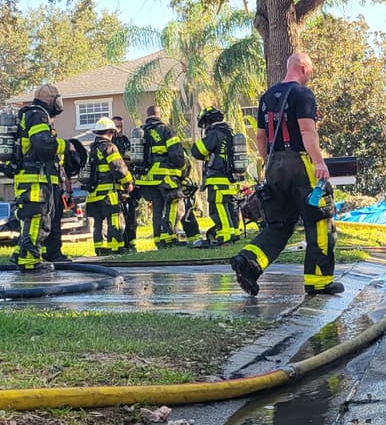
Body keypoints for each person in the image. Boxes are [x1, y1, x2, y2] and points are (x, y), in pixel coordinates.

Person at [229, 51, 341, 297]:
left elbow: (260, 137)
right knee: (320, 219)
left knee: (279, 224)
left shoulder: (266, 97)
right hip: (299, 162)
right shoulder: (303, 94)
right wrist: (319, 162)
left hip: (274, 165)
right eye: (310, 70)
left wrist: (268, 163)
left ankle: (248, 261)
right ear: (302, 67)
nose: (310, 75)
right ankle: (319, 282)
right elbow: (307, 131)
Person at [6, 82, 67, 273]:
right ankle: (30, 261)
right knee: (38, 220)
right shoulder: (38, 115)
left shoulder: (28, 114)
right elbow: (43, 144)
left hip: (29, 178)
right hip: (35, 180)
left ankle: (20, 253)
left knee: (30, 219)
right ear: (51, 100)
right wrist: (66, 146)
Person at [192, 105, 246, 246]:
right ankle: (234, 233)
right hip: (229, 179)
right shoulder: (229, 133)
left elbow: (198, 151)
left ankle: (224, 236)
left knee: (218, 207)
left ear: (207, 121)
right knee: (229, 206)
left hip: (217, 179)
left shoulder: (214, 134)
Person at [135, 105, 186, 248]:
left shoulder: (141, 132)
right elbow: (176, 155)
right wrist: (181, 168)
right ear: (160, 115)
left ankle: (158, 240)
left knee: (157, 209)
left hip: (147, 180)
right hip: (165, 177)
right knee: (173, 203)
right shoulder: (166, 130)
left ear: (148, 115)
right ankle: (169, 237)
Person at [82, 117, 134, 255]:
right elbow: (118, 168)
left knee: (99, 223)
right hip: (108, 193)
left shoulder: (91, 149)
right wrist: (128, 181)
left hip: (94, 194)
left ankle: (100, 249)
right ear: (111, 132)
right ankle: (116, 248)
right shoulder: (110, 147)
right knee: (115, 219)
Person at [111, 113, 139, 253]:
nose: (118, 130)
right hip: (113, 185)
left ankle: (131, 242)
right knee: (118, 215)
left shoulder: (125, 140)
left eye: (120, 127)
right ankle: (120, 243)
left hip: (128, 181)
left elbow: (130, 158)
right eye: (116, 127)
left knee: (131, 214)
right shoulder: (108, 144)